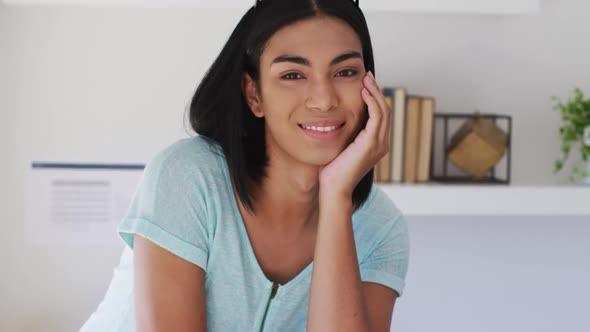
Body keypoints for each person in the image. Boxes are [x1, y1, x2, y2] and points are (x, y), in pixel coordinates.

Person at [80, 0, 409, 331]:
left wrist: (337, 196)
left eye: (344, 72)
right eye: (293, 75)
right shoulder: (187, 178)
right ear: (254, 95)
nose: (323, 100)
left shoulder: (380, 228)